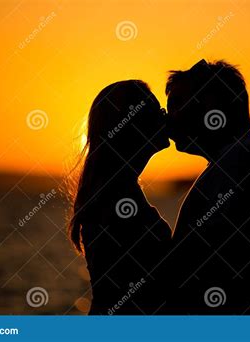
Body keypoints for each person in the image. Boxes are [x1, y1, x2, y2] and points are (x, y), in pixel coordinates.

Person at [164, 59, 250, 314]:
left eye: (178, 105)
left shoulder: (240, 159)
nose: (169, 119)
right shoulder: (239, 158)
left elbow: (202, 262)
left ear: (210, 106)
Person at [67, 80, 172, 314]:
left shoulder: (116, 190)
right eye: (157, 112)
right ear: (134, 126)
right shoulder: (116, 198)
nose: (166, 118)